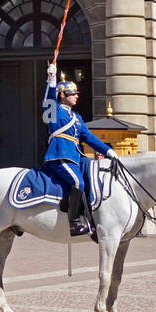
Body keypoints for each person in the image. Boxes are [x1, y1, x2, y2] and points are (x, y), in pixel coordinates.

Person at [42, 63, 116, 237]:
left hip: (76, 156)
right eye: (72, 94)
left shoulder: (77, 118)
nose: (76, 96)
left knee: (94, 173)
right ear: (62, 96)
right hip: (60, 154)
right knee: (77, 183)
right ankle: (74, 222)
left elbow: (89, 138)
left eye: (76, 94)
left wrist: (107, 151)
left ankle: (91, 217)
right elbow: (48, 101)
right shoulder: (54, 111)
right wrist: (51, 80)